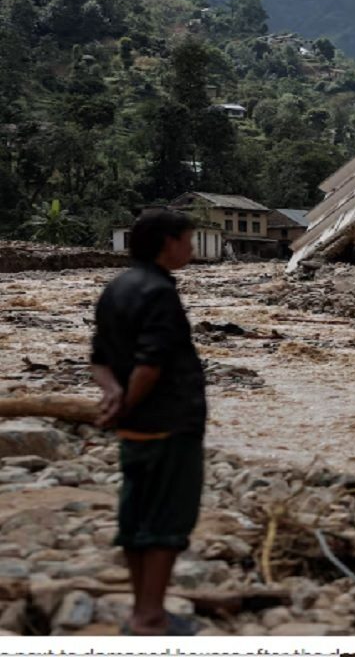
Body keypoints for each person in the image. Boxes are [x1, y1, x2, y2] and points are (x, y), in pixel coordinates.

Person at [90, 210, 206, 636]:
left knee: (136, 520)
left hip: (135, 430)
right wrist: (127, 401)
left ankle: (140, 610)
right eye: (187, 240)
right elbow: (150, 365)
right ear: (167, 244)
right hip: (169, 424)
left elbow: (99, 360)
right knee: (166, 524)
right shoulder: (159, 293)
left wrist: (113, 396)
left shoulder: (116, 288)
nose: (191, 249)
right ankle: (150, 618)